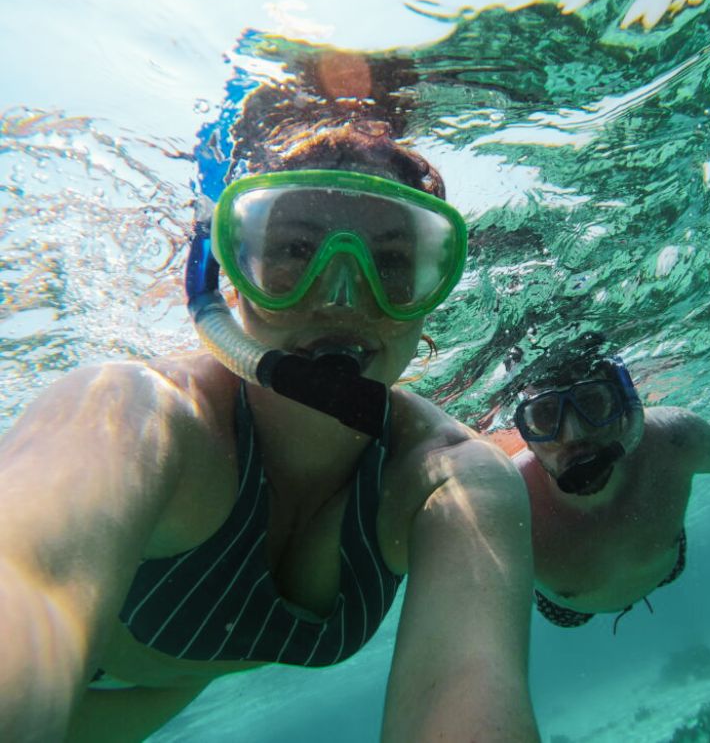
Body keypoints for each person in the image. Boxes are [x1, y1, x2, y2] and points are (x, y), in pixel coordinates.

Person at [0, 83, 539, 741]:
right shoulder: (136, 416)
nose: (342, 298)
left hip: (150, 704)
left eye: (393, 261)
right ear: (230, 276)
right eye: (294, 251)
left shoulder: (453, 480)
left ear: (431, 295)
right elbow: (23, 579)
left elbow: (467, 682)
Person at [496, 345, 710, 631]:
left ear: (625, 408)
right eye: (545, 417)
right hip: (567, 611)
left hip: (667, 568)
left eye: (593, 405)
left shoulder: (672, 439)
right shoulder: (506, 501)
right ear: (526, 434)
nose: (574, 435)